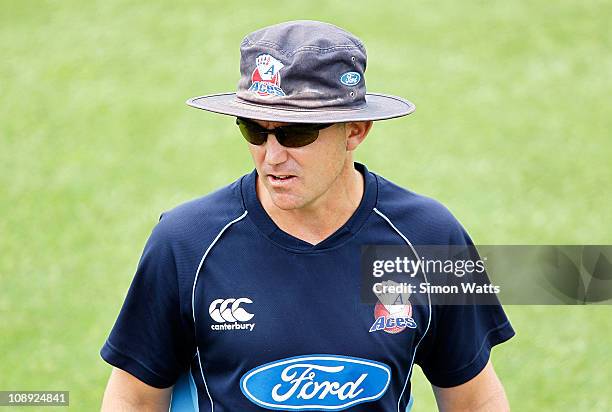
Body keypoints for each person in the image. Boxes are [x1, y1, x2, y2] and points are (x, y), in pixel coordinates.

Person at [100, 20, 514, 411]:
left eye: (296, 133)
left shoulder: (428, 237)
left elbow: (474, 398)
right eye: (254, 130)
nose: (272, 156)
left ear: (355, 130)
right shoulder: (186, 242)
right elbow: (133, 398)